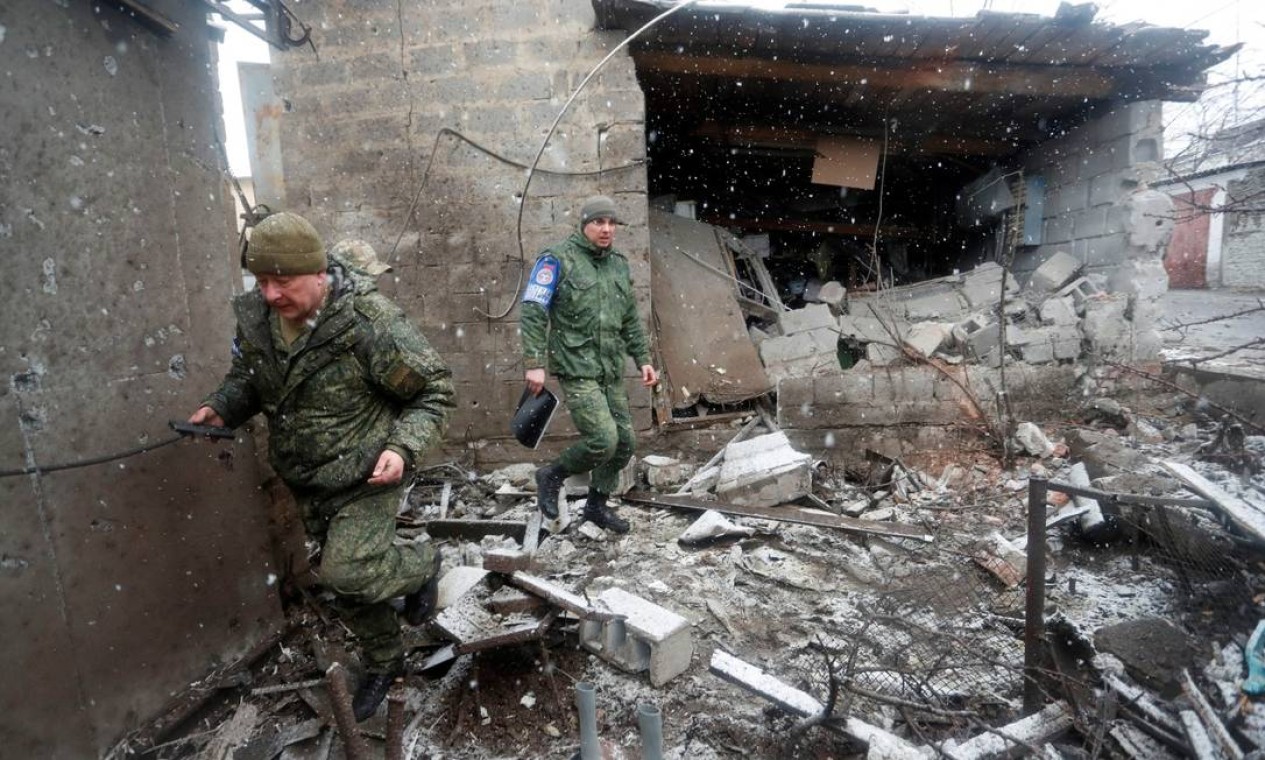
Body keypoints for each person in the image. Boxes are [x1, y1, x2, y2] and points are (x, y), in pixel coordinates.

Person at [188, 212, 454, 721]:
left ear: (316, 273)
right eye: (261, 281)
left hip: (365, 472)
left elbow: (434, 393)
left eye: (281, 282)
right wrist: (222, 405)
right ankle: (386, 660)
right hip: (307, 480)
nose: (269, 294)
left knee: (346, 572)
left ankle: (423, 561)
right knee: (346, 586)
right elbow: (249, 377)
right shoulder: (259, 320)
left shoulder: (368, 326)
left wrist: (401, 448)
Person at [520, 195, 658, 534]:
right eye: (599, 222)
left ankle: (596, 506)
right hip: (576, 365)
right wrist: (534, 362)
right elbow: (534, 310)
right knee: (603, 439)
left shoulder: (619, 264)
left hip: (609, 368)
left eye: (612, 223)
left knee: (625, 443)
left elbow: (629, 319)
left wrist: (643, 359)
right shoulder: (557, 260)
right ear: (584, 225)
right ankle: (551, 475)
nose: (606, 229)